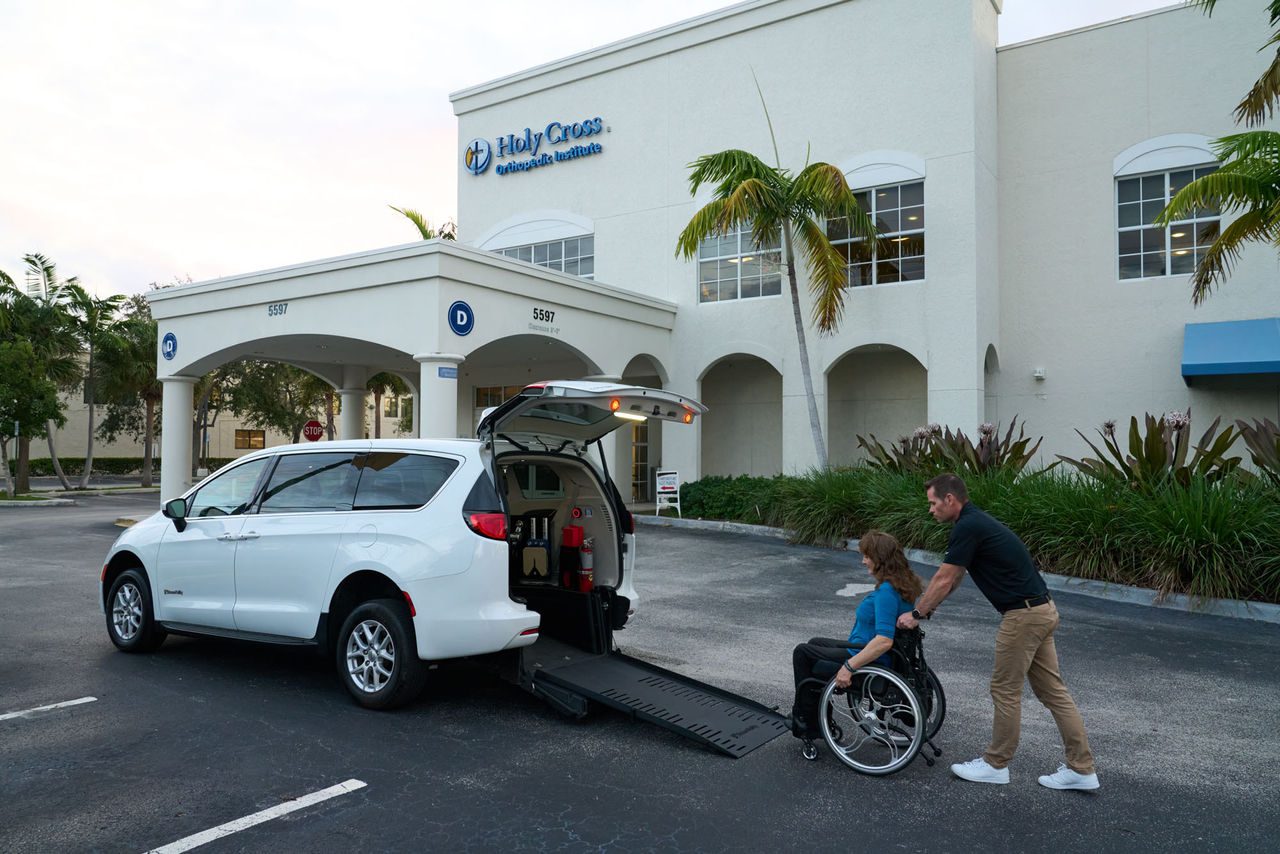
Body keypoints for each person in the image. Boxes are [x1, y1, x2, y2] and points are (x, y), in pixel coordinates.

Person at [897, 473, 1098, 791]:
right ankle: (1082, 769)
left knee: (1005, 690)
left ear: (950, 500)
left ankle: (995, 764)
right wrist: (929, 608)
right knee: (1053, 692)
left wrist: (917, 613)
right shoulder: (975, 523)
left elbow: (944, 579)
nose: (930, 510)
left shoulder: (968, 526)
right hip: (1042, 609)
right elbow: (956, 575)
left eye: (933, 503)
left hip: (1023, 617)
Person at [790, 530, 924, 739]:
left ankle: (808, 722)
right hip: (867, 651)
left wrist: (848, 667)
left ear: (880, 560)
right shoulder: (904, 584)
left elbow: (883, 641)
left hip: (867, 660)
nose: (863, 561)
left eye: (867, 556)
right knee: (814, 643)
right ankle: (814, 714)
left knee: (803, 653)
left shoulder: (887, 593)